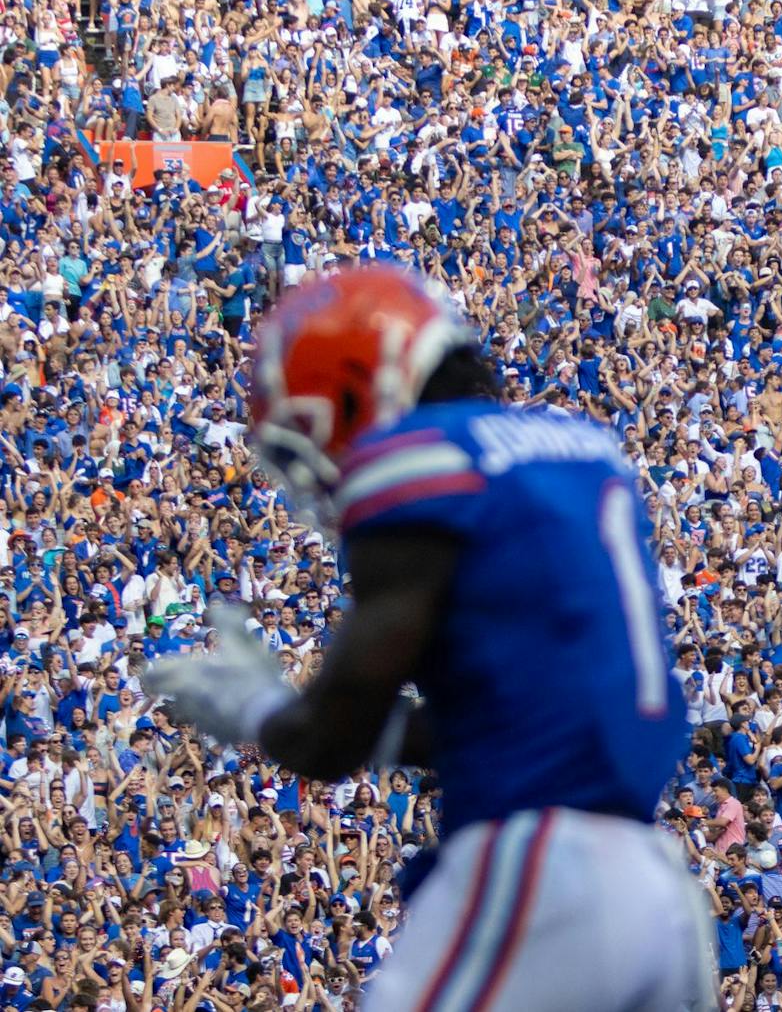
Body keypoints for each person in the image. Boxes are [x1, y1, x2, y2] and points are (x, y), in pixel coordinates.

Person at [144, 267, 714, 1011]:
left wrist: (256, 708)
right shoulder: (582, 450)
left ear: (364, 388)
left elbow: (330, 738)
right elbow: (508, 713)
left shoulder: (420, 462)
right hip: (655, 892)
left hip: (542, 875)